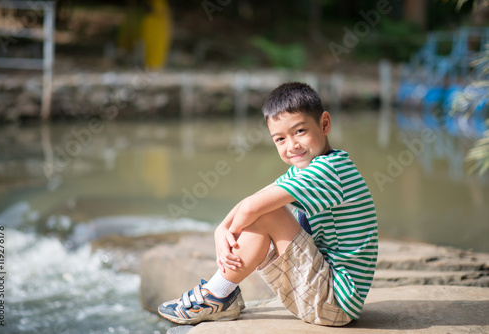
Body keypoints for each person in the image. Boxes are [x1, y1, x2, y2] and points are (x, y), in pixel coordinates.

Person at [158, 82, 378, 326]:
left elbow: (253, 208)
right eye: (280, 139)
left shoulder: (329, 171)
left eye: (300, 131)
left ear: (324, 124)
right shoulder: (311, 168)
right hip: (329, 294)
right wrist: (220, 230)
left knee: (267, 213)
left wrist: (232, 231)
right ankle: (220, 293)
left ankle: (217, 295)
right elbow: (251, 200)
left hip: (335, 302)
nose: (292, 145)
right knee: (264, 209)